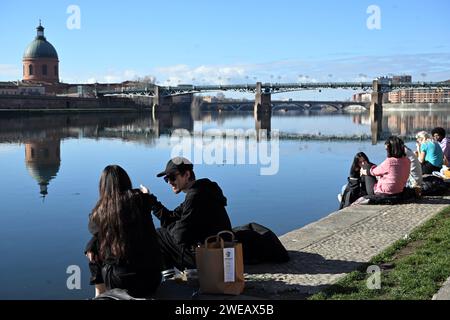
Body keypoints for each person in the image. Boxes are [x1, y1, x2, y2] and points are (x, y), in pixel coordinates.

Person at [141, 157, 232, 272]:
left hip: (209, 256)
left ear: (187, 175)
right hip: (215, 251)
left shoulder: (196, 196)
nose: (169, 182)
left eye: (172, 177)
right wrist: (150, 200)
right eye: (166, 179)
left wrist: (173, 227)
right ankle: (168, 273)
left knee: (158, 235)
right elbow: (171, 217)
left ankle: (168, 275)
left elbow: (180, 235)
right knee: (164, 233)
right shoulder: (200, 190)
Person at [85, 165, 163, 298]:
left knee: (95, 251)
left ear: (102, 187)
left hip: (120, 284)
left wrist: (90, 246)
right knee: (95, 245)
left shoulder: (98, 213)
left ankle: (99, 294)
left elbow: (97, 233)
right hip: (152, 279)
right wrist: (146, 194)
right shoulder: (142, 199)